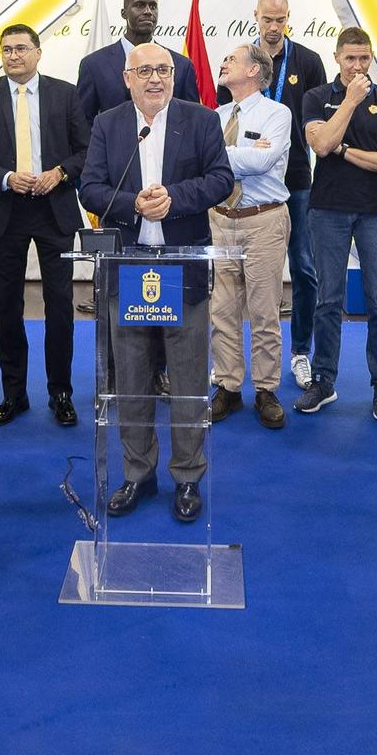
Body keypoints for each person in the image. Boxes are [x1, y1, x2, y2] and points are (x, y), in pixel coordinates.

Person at [77, 43, 234, 521]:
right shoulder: (109, 123)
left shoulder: (201, 120)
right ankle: (137, 472)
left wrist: (175, 198)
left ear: (173, 75)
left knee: (187, 376)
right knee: (132, 374)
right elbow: (91, 187)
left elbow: (221, 179)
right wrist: (133, 204)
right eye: (143, 70)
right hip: (128, 268)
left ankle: (187, 477)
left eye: (163, 70)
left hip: (182, 266)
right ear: (127, 78)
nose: (154, 78)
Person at [0, 23, 90, 426]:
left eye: (20, 48)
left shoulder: (65, 94)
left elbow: (86, 150)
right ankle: (14, 394)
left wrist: (62, 172)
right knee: (6, 307)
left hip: (54, 211)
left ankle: (60, 393)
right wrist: (5, 177)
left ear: (38, 52)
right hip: (3, 212)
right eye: (6, 49)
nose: (13, 55)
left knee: (61, 307)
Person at [296, 27, 377, 419]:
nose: (357, 66)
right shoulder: (316, 98)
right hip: (327, 210)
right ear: (337, 58)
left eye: (364, 59)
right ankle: (323, 379)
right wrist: (349, 102)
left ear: (371, 58)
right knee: (328, 298)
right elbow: (321, 145)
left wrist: (344, 150)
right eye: (350, 59)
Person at [205, 43, 294, 429]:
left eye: (231, 59)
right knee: (221, 311)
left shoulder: (278, 113)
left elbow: (261, 161)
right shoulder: (215, 116)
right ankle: (227, 385)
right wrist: (241, 150)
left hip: (263, 221)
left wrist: (222, 153)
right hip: (220, 219)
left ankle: (265, 388)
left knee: (263, 310)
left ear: (255, 71)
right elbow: (205, 162)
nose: (223, 64)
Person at [244, 0, 328, 388]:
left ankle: (300, 352)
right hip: (252, 183)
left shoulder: (308, 62)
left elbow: (319, 124)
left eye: (281, 20)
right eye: (267, 19)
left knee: (304, 268)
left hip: (297, 181)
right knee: (253, 273)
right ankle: (246, 358)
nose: (274, 28)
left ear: (288, 19)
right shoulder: (243, 60)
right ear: (255, 17)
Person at [75, 0, 201, 125]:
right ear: (124, 13)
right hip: (113, 146)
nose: (148, 11)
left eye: (153, 6)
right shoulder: (94, 65)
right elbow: (83, 123)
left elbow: (192, 119)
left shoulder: (182, 65)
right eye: (139, 5)